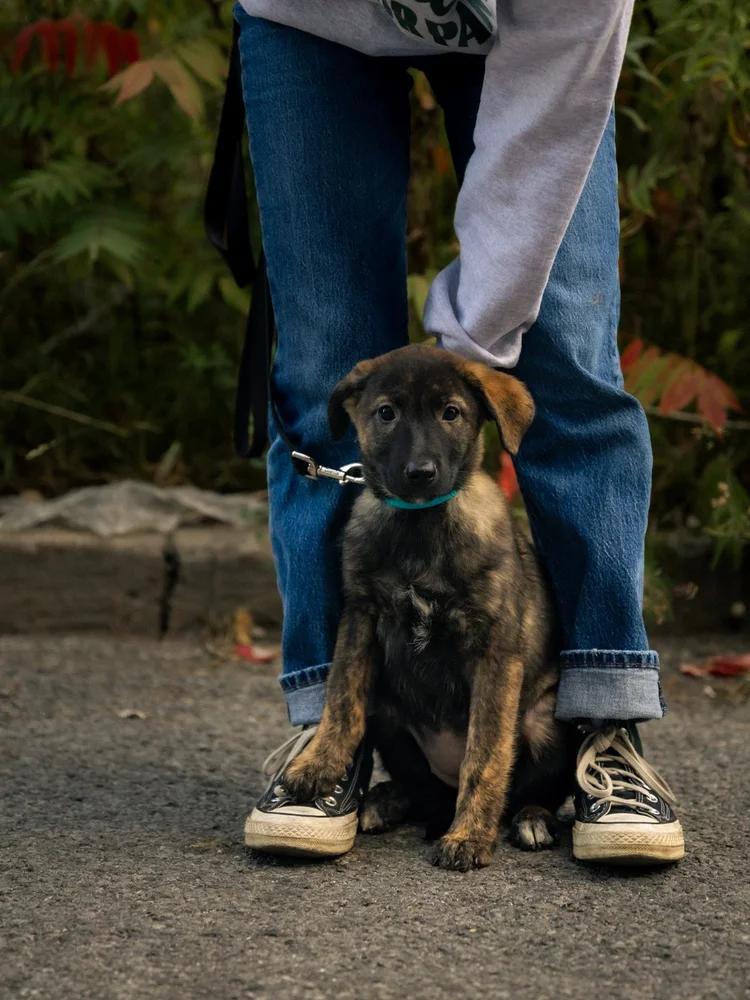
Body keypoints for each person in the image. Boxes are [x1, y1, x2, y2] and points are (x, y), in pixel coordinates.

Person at [235, 0, 685, 865]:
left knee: (567, 356)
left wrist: (469, 373)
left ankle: (599, 722)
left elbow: (560, 81)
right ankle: (337, 742)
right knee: (320, 361)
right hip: (308, 17)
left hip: (542, 27)